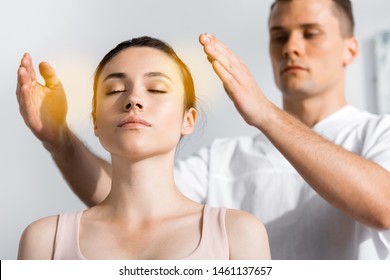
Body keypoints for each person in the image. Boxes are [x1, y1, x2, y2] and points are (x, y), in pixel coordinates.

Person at [16, 0, 390, 259]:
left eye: (310, 33)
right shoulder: (223, 160)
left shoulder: (377, 134)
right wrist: (59, 140)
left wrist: (263, 112)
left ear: (350, 49)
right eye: (279, 35)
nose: (291, 47)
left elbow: (385, 206)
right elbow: (123, 197)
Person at [16, 36, 271, 260]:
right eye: (115, 89)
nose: (133, 100)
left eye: (156, 89)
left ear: (188, 120)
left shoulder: (238, 235)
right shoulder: (45, 242)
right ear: (95, 121)